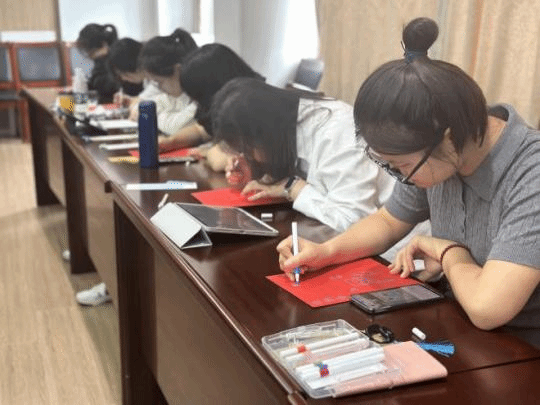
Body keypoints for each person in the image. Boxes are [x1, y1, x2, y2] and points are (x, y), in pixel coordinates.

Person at [277, 17, 540, 348]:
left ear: (448, 138)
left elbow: (488, 309)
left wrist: (449, 252)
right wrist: (325, 252)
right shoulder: (443, 152)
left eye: (401, 165)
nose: (402, 176)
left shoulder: (530, 173)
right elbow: (389, 221)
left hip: (519, 349)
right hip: (458, 325)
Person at [210, 77, 396, 233]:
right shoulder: (288, 121)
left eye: (248, 149)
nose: (249, 156)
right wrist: (258, 173)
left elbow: (353, 221)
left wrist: (293, 188)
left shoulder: (335, 134)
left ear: (265, 134)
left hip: (392, 250)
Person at [159, 43, 266, 171]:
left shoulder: (253, 106)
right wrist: (171, 141)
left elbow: (221, 161)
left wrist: (209, 152)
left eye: (197, 97)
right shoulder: (226, 102)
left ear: (210, 90)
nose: (195, 102)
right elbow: (201, 130)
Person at [138, 28, 199, 137]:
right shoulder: (179, 95)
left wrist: (154, 116)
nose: (159, 88)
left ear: (177, 70)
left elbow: (173, 127)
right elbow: (150, 105)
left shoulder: (201, 99)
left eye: (159, 82)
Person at [107, 38, 162, 120]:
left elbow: (140, 106)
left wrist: (134, 102)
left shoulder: (158, 77)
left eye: (123, 74)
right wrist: (130, 100)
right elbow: (146, 99)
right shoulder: (147, 78)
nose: (124, 78)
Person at [76, 23, 120, 103]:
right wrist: (83, 84)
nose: (88, 53)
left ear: (103, 44)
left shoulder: (117, 57)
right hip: (104, 101)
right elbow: (96, 82)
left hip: (114, 102)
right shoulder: (100, 59)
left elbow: (109, 86)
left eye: (89, 49)